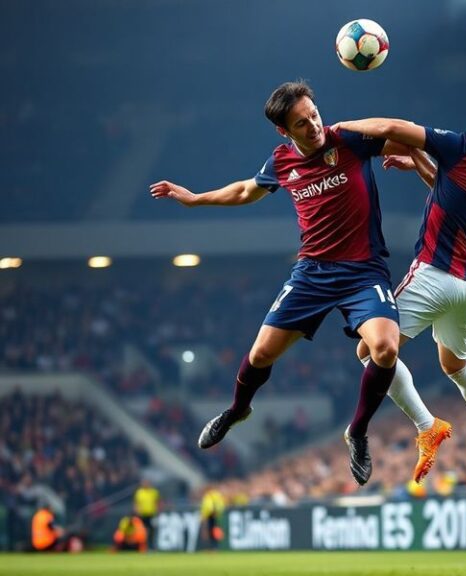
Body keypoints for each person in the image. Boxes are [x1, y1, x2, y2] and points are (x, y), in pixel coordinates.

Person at [150, 81, 406, 486]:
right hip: (312, 274)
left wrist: (416, 161)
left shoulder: (350, 140)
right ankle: (237, 410)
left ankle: (357, 431)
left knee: (386, 347)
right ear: (283, 131)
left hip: (364, 271)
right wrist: (194, 198)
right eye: (302, 123)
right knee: (261, 353)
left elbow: (401, 141)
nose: (314, 126)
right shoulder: (282, 161)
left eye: (314, 116)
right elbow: (246, 190)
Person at [334, 85, 466, 482]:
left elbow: (394, 126)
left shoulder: (463, 150)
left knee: (370, 350)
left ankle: (426, 426)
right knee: (455, 364)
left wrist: (338, 128)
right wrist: (424, 166)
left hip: (434, 275)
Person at [133, 479, 160, 549]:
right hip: (142, 515)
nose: (145, 484)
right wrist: (137, 511)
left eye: (147, 483)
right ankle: (142, 546)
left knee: (152, 531)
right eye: (144, 483)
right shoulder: (139, 492)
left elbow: (157, 502)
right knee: (142, 532)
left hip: (152, 514)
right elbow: (136, 503)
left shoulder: (154, 492)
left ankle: (152, 547)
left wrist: (157, 512)